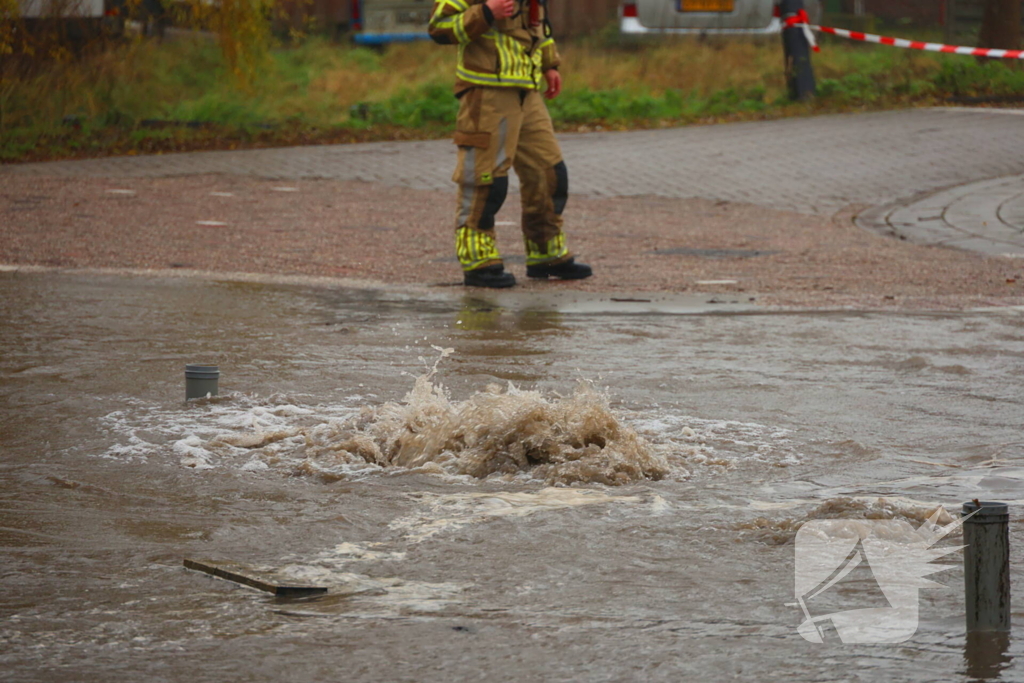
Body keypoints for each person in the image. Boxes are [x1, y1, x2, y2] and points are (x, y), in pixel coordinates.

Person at [428, 0, 593, 288]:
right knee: (485, 179)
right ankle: (478, 261)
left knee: (549, 173)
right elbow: (439, 28)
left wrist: (549, 65)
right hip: (486, 92)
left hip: (526, 91)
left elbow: (537, 29)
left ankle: (546, 254)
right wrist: (486, 12)